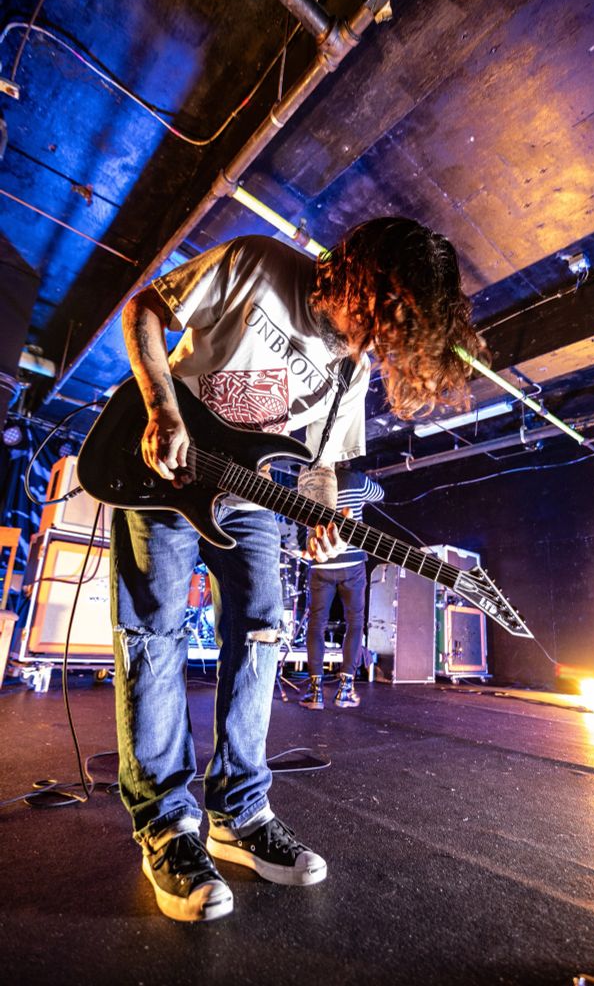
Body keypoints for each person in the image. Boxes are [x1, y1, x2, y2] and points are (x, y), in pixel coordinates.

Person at [110, 216, 485, 922]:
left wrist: (318, 516)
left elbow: (320, 462)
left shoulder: (352, 363)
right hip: (168, 468)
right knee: (153, 637)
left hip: (250, 498)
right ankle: (165, 826)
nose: (371, 339)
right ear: (354, 277)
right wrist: (162, 408)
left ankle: (239, 812)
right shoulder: (255, 261)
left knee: (259, 635)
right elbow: (146, 310)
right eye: (377, 315)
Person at [300, 466, 384, 710]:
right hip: (352, 562)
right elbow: (379, 494)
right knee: (355, 623)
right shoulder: (355, 477)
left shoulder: (308, 476)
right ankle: (345, 690)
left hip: (320, 562)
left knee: (317, 624)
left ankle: (315, 693)